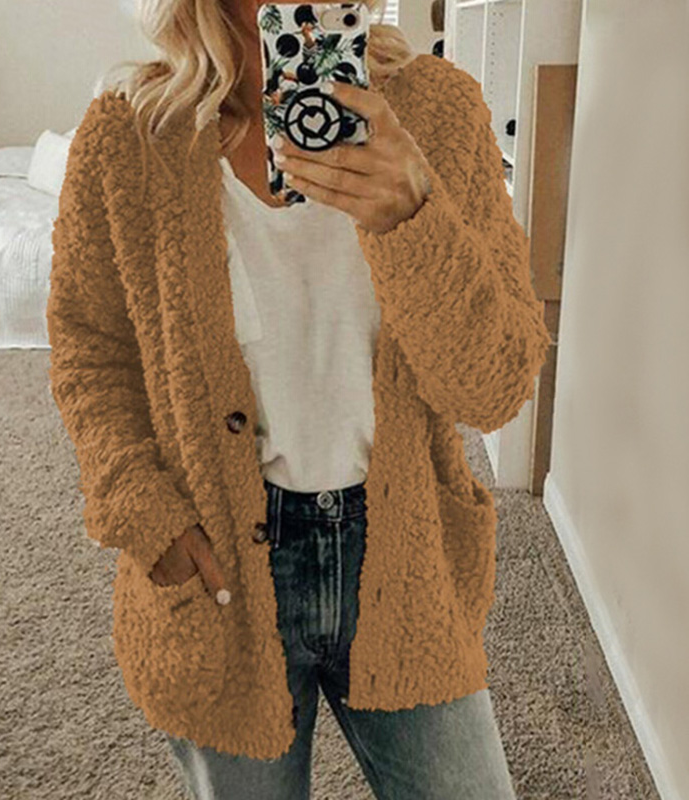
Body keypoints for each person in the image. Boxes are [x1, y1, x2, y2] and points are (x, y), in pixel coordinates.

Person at [46, 0, 551, 797]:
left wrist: (413, 213)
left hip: (406, 559)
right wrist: (145, 512)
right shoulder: (130, 136)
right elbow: (90, 350)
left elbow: (495, 386)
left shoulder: (438, 112)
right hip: (219, 576)